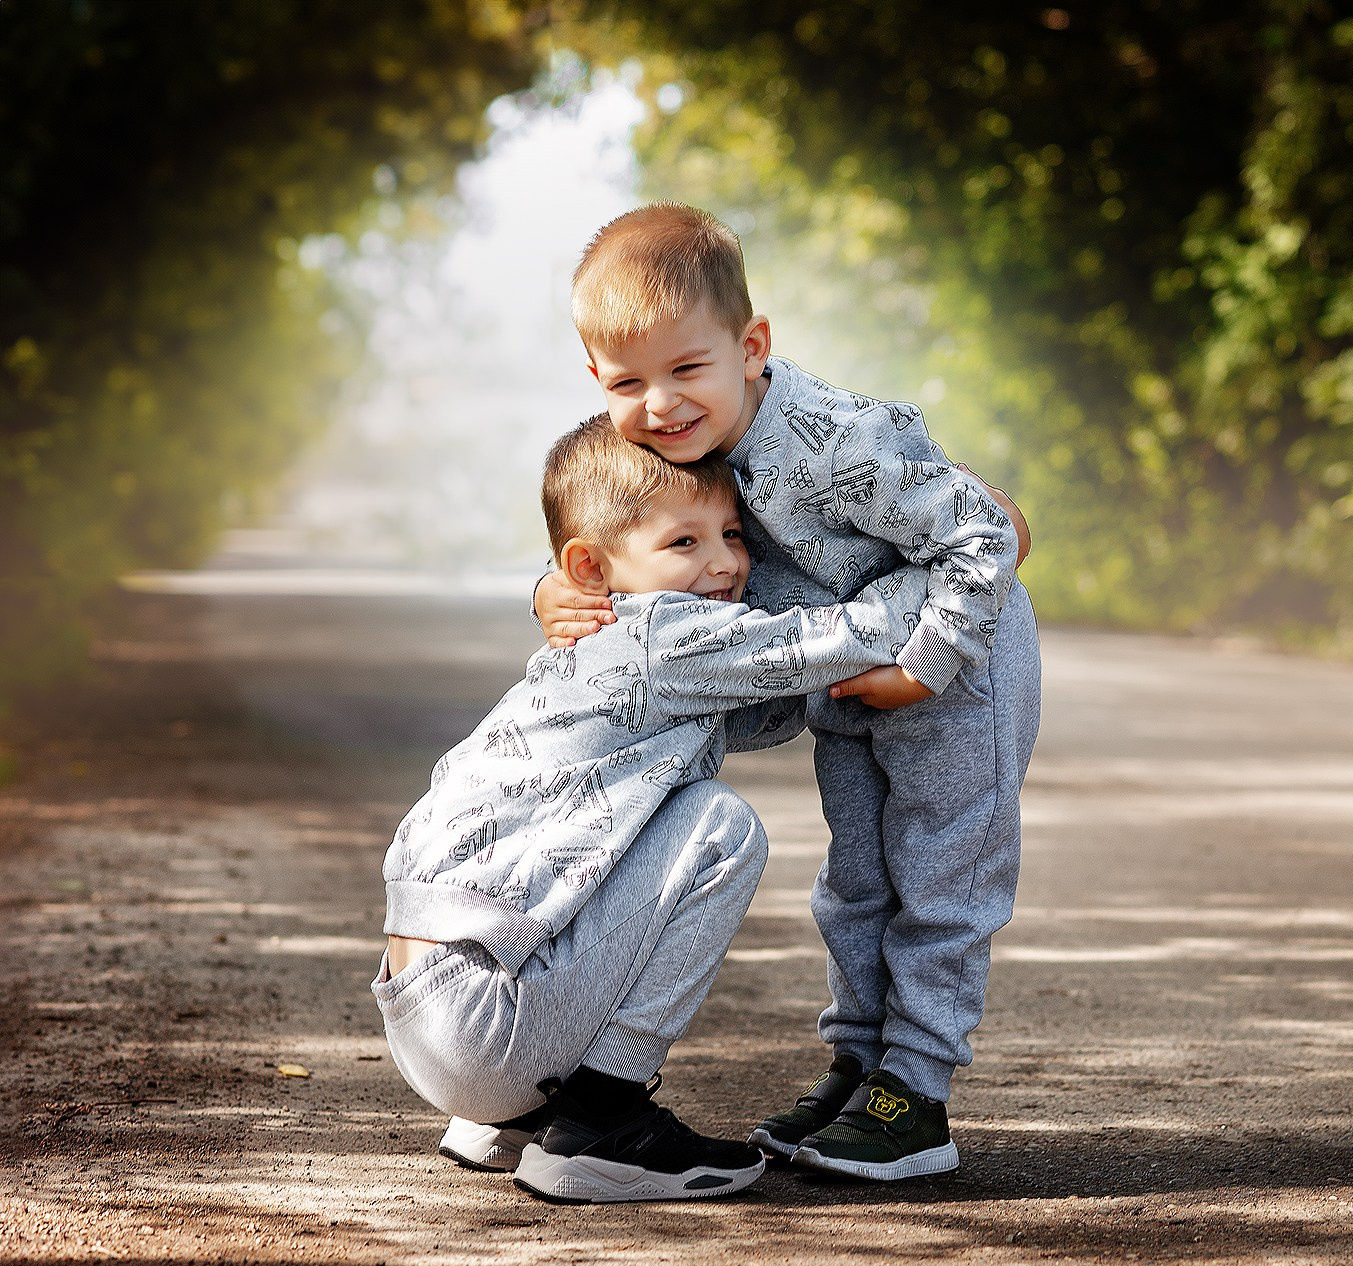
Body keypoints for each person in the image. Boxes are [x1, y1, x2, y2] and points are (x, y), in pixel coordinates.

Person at [535, 202, 1041, 1181]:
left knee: (941, 874)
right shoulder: (669, 447)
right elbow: (609, 539)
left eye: (687, 369)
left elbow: (988, 535)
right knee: (856, 879)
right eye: (628, 381)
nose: (662, 403)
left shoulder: (831, 438)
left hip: (955, 666)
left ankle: (917, 1091)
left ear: (749, 346)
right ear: (595, 378)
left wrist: (923, 666)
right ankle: (859, 1063)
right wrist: (553, 586)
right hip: (849, 679)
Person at [374, 415, 930, 1204]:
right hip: (489, 1024)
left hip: (428, 1030)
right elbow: (845, 639)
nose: (727, 564)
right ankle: (601, 1121)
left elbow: (769, 708)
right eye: (685, 544)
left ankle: (514, 1118)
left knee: (635, 826)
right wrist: (969, 548)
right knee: (717, 827)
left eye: (734, 535)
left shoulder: (593, 646)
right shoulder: (666, 636)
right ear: (589, 567)